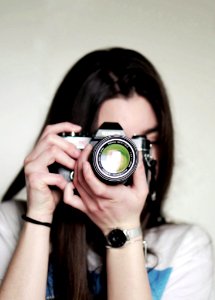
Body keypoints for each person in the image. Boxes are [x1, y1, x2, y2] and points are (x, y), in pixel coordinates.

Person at [0, 47, 213, 300]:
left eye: (143, 142)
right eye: (110, 143)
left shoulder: (183, 249)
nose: (128, 158)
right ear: (69, 143)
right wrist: (38, 218)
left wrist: (123, 229)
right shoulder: (10, 225)